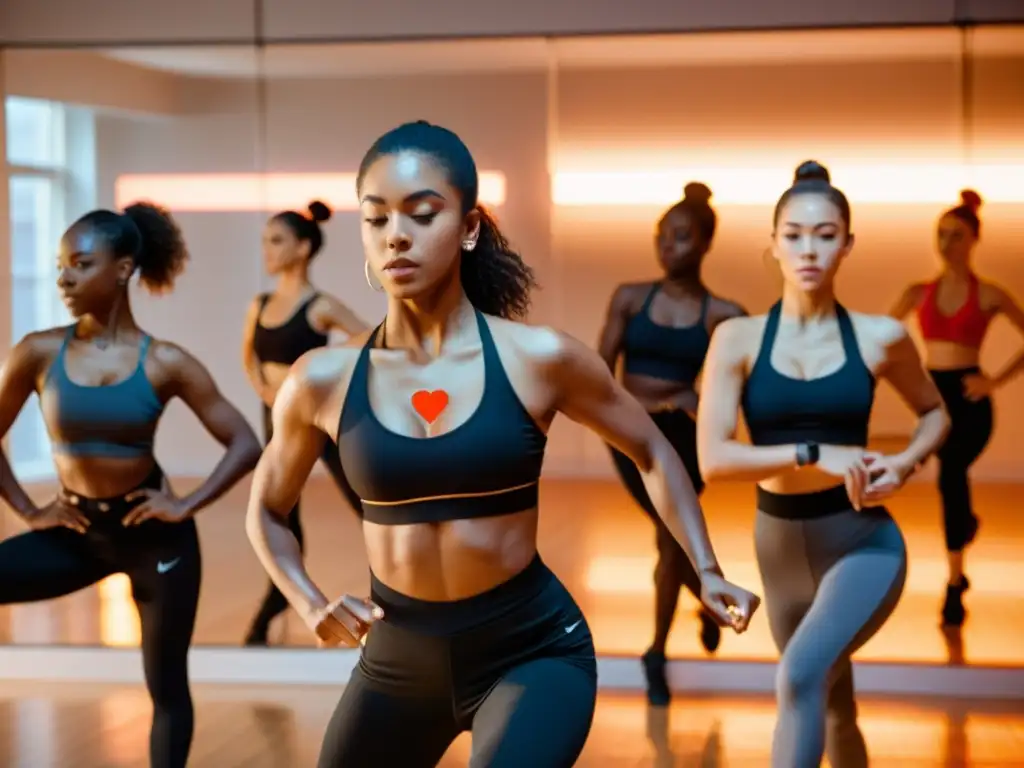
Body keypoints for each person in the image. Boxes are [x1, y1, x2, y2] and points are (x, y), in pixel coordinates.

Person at [246, 120, 761, 768]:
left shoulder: (538, 359)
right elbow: (266, 507)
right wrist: (309, 601)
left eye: (423, 213)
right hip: (397, 660)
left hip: (531, 653)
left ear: (468, 228)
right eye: (376, 219)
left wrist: (707, 570)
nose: (396, 234)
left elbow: (653, 451)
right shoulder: (322, 379)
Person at [697, 161, 949, 768]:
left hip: (861, 543)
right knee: (832, 702)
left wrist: (905, 464)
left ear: (848, 244)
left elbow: (936, 413)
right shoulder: (737, 338)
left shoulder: (880, 337)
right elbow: (714, 459)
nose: (809, 248)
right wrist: (815, 454)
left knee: (799, 677)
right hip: (777, 546)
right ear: (774, 243)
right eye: (794, 234)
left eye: (826, 233)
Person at [0, 202, 263, 768]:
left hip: (155, 541)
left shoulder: (166, 362)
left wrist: (185, 503)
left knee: (166, 688)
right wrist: (27, 509)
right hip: (74, 531)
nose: (63, 277)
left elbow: (244, 442)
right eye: (59, 265)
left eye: (79, 263)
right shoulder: (38, 352)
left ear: (122, 270)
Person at [598, 182, 746, 703]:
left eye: (682, 237)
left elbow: (737, 391)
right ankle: (707, 600)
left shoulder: (724, 314)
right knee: (673, 534)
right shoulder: (630, 297)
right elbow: (599, 375)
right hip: (631, 435)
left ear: (705, 243)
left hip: (684, 436)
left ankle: (656, 653)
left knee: (670, 538)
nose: (668, 247)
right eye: (663, 236)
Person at [889, 190, 1024, 627]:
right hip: (935, 400)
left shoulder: (989, 295)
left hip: (971, 401)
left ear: (973, 240)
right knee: (950, 480)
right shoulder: (917, 292)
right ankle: (962, 531)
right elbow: (883, 341)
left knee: (950, 474)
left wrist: (994, 381)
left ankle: (953, 583)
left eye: (956, 235)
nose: (948, 243)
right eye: (941, 235)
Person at [241, 200, 370, 646]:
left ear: (302, 248)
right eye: (264, 241)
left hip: (318, 419)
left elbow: (370, 338)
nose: (267, 250)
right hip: (274, 417)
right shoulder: (259, 304)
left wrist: (315, 384)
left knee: (365, 502)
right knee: (279, 516)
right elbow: (249, 359)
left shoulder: (321, 305)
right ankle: (273, 605)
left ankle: (398, 581)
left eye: (276, 240)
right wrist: (269, 393)